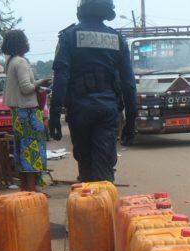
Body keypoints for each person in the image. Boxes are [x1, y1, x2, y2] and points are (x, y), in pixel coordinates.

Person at [50, 0, 137, 183]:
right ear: (107, 10)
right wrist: (131, 121)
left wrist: (54, 116)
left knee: (85, 162)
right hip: (108, 109)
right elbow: (128, 84)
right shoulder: (117, 39)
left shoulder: (69, 36)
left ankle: (88, 199)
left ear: (81, 9)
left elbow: (61, 78)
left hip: (79, 110)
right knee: (104, 166)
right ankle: (103, 201)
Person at [2, 30, 52, 192]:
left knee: (23, 152)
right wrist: (41, 83)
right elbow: (26, 88)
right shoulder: (21, 62)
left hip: (18, 114)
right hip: (28, 113)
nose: (28, 43)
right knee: (32, 152)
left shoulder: (10, 62)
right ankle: (32, 192)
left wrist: (38, 82)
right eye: (26, 40)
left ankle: (25, 191)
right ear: (20, 44)